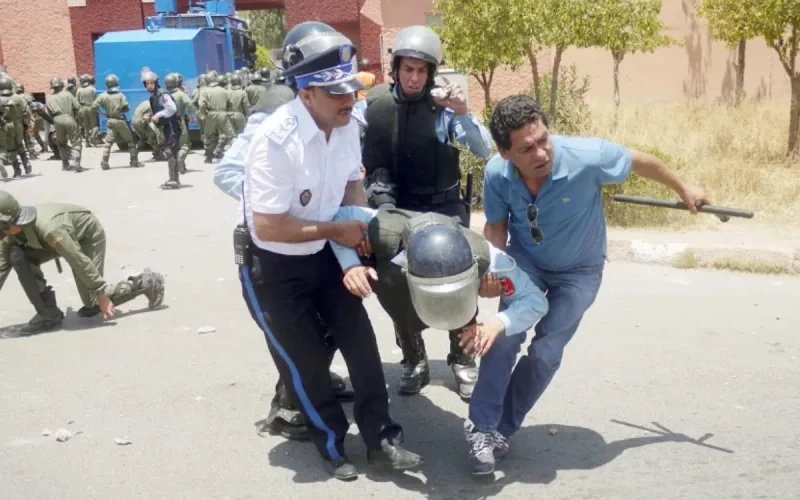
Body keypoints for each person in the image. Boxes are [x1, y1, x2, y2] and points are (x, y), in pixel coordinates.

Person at [465, 94, 711, 475]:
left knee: (546, 352)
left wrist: (684, 189)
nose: (541, 153)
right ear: (505, 152)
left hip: (579, 272)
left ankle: (502, 429)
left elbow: (641, 161)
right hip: (526, 263)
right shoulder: (497, 173)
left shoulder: (587, 157)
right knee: (504, 337)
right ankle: (481, 429)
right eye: (527, 148)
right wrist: (492, 270)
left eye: (543, 139)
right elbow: (495, 228)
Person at [238, 21, 422, 480]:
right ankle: (330, 442)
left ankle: (382, 439)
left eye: (352, 88)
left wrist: (356, 244)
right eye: (337, 92)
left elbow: (351, 189)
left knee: (361, 343)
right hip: (272, 265)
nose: (350, 99)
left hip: (323, 252)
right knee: (306, 363)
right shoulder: (275, 142)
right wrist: (337, 231)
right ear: (306, 94)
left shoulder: (345, 125)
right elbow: (270, 225)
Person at [215, 80, 354, 441]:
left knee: (326, 325)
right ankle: (288, 406)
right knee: (294, 335)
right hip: (276, 247)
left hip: (317, 239)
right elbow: (226, 172)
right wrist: (278, 198)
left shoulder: (335, 111)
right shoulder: (274, 113)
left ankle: (312, 388)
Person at [361, 24, 494, 400]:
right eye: (408, 69)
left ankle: (463, 357)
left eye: (422, 70)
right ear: (396, 69)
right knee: (392, 279)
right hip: (395, 209)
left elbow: (482, 148)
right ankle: (413, 356)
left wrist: (463, 112)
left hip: (444, 208)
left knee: (459, 275)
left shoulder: (444, 109)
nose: (415, 78)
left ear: (431, 72)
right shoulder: (374, 108)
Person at [327, 206, 549, 403]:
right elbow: (339, 216)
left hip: (435, 281)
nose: (441, 303)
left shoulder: (486, 257)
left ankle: (463, 360)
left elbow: (536, 301)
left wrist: (497, 323)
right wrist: (351, 265)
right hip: (398, 282)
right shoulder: (382, 231)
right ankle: (414, 359)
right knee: (393, 302)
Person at [0, 191, 166, 335]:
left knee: (92, 303)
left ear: (10, 223)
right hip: (53, 241)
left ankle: (145, 283)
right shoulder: (11, 232)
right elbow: (1, 263)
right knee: (16, 255)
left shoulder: (51, 229)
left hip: (86, 236)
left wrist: (100, 294)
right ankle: (48, 314)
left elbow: (77, 259)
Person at [141, 68, 182, 189]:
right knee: (169, 151)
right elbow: (159, 111)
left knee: (170, 151)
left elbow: (171, 109)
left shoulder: (162, 94)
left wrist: (158, 115)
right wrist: (150, 116)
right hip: (166, 126)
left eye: (151, 83)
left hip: (172, 125)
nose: (149, 85)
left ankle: (174, 180)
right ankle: (173, 179)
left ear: (156, 82)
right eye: (147, 83)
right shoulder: (153, 97)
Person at [92, 74, 142, 170]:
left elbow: (94, 106)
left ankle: (104, 161)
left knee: (108, 142)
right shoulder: (120, 95)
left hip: (110, 120)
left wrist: (103, 113)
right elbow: (126, 107)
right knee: (130, 141)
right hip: (120, 120)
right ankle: (134, 161)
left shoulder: (102, 96)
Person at [46, 76, 84, 172]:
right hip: (68, 118)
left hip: (57, 120)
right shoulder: (68, 94)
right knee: (76, 141)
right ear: (61, 85)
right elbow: (78, 108)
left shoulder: (50, 98)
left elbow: (48, 114)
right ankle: (76, 161)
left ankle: (65, 164)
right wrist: (79, 121)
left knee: (61, 143)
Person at [198, 70, 234, 163]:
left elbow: (202, 104)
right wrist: (228, 112)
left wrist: (203, 114)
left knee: (209, 135)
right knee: (230, 135)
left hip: (211, 114)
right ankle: (234, 154)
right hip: (223, 114)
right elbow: (230, 103)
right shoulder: (224, 90)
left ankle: (209, 156)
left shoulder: (204, 91)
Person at [0, 76, 32, 178]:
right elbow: (26, 113)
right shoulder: (18, 98)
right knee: (20, 144)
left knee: (11, 149)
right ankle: (26, 163)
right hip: (18, 126)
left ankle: (17, 170)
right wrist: (27, 124)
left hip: (5, 126)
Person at [165, 73, 191, 174]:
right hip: (179, 121)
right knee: (184, 145)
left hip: (167, 123)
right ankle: (181, 158)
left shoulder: (163, 95)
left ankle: (176, 168)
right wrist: (191, 114)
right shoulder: (181, 94)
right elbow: (190, 104)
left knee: (172, 146)